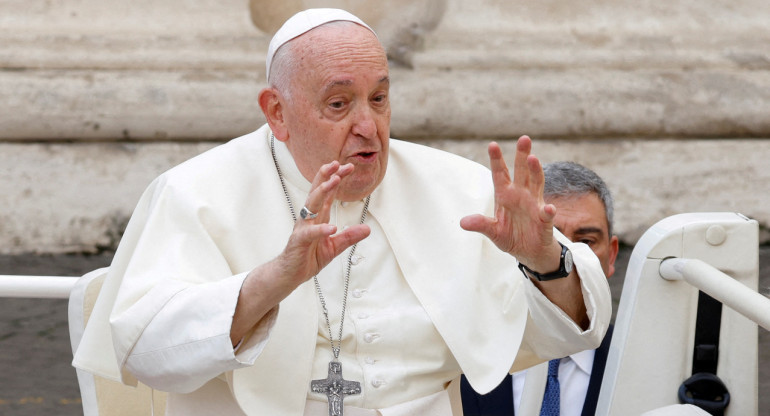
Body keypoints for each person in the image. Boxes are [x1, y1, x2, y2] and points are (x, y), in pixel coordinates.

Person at [73, 8, 611, 416]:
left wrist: (546, 263)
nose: (368, 125)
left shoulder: (460, 190)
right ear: (277, 112)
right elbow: (142, 349)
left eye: (379, 98)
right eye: (339, 104)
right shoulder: (193, 192)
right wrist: (273, 280)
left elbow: (574, 335)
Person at [461, 161, 619, 416]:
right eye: (548, 239)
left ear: (611, 256)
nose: (564, 258)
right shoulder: (465, 359)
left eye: (586, 242)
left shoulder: (643, 361)